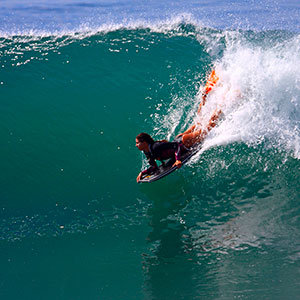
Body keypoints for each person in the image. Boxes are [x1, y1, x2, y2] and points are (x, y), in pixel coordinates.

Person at [136, 70, 221, 182]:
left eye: (138, 142)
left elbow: (176, 146)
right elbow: (154, 167)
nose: (136, 145)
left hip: (184, 142)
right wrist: (143, 173)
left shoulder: (155, 147)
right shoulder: (148, 152)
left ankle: (221, 105)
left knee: (207, 128)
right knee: (198, 122)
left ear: (144, 142)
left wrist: (177, 160)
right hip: (180, 139)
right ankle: (205, 95)